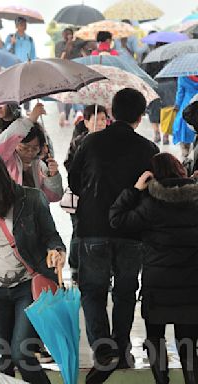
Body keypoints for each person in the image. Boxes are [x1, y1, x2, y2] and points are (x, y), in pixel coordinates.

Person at [68, 88, 160, 383]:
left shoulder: (90, 142)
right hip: (132, 230)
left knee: (93, 290)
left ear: (111, 111)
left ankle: (102, 348)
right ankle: (120, 345)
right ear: (140, 116)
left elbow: (74, 180)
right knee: (125, 292)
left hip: (93, 227)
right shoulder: (148, 149)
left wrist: (95, 200)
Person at [0, 153, 65, 383]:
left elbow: (51, 236)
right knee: (1, 361)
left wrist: (56, 251)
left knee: (22, 354)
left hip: (27, 286)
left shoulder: (32, 199)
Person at [110, 153, 198, 384]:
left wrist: (135, 190)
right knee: (188, 342)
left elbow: (117, 219)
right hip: (191, 284)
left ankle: (161, 381)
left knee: (155, 338)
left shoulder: (149, 204)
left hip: (157, 285)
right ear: (182, 171)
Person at [64, 105, 108, 283]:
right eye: (96, 120)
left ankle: (104, 271)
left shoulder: (110, 142)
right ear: (87, 122)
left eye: (103, 120)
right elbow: (69, 166)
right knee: (78, 232)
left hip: (102, 196)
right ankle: (75, 267)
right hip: (80, 195)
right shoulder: (78, 142)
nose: (100, 123)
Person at [0, 103, 63, 202]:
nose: (29, 152)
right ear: (15, 144)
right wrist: (30, 120)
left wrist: (53, 176)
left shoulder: (40, 166)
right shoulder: (6, 161)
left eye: (35, 148)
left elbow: (54, 197)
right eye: (24, 148)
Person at [173, 75, 198, 158]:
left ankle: (185, 151)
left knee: (182, 126)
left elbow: (180, 93)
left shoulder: (183, 77)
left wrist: (177, 105)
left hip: (187, 104)